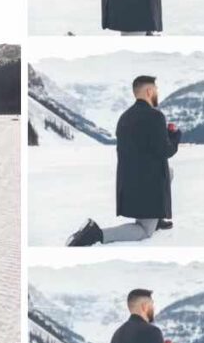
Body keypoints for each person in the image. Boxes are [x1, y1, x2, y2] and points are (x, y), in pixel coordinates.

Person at [67, 76, 180, 246]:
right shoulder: (155, 117)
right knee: (144, 231)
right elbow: (165, 151)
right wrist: (175, 137)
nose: (157, 92)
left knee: (169, 172)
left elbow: (143, 149)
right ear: (149, 91)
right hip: (148, 186)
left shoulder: (124, 117)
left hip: (128, 184)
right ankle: (96, 234)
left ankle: (156, 219)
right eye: (156, 89)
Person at [109, 289, 179, 343]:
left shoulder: (117, 335)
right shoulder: (152, 332)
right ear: (144, 307)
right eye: (152, 304)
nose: (154, 308)